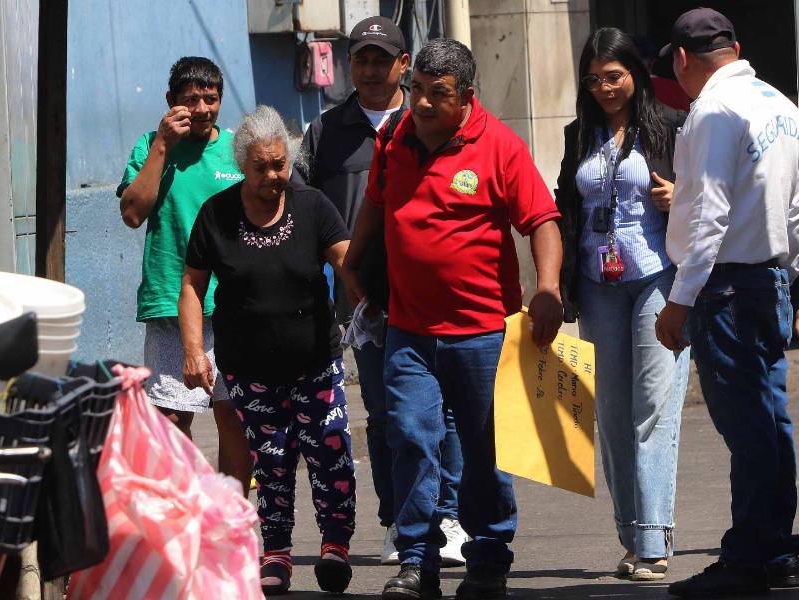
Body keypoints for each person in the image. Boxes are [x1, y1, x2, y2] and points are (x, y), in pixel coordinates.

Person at [342, 38, 563, 600]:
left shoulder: (501, 147)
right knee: (410, 438)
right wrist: (352, 265)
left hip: (484, 333)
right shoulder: (394, 139)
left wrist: (547, 288)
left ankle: (488, 559)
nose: (419, 103)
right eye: (414, 89)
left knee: (487, 450)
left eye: (435, 94)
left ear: (467, 97)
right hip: (409, 332)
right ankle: (417, 561)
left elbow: (541, 221)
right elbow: (376, 203)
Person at [292, 15, 468, 566]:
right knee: (388, 415)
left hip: (439, 296)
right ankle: (399, 521)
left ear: (403, 64)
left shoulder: (431, 120)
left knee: (449, 414)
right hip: (365, 304)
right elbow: (301, 211)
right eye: (360, 59)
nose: (368, 69)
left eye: (380, 58)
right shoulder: (324, 132)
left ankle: (448, 516)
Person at [179, 105, 356, 596]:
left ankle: (334, 547)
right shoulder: (217, 214)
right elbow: (193, 286)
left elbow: (346, 263)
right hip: (249, 369)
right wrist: (194, 350)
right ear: (242, 163)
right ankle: (275, 552)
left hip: (316, 363)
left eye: (279, 163)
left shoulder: (313, 205)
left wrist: (375, 305)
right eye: (261, 167)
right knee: (271, 461)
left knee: (330, 453)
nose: (273, 176)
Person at [654, 7, 799, 598]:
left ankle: (749, 558)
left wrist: (680, 301)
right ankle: (775, 550)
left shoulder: (714, 109)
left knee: (750, 427)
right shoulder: (780, 105)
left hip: (729, 286)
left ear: (683, 59)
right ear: (734, 47)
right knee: (769, 423)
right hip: (767, 280)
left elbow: (708, 215)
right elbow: (794, 207)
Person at [555, 28, 690, 582]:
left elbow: (709, 196)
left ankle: (655, 541)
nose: (605, 88)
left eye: (614, 76)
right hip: (597, 284)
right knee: (611, 414)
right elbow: (565, 207)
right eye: (594, 79)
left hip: (657, 278)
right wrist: (555, 286)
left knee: (654, 405)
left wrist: (680, 196)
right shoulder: (578, 134)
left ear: (635, 73)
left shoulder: (673, 129)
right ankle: (632, 533)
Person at [117, 56, 251, 493]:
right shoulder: (149, 146)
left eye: (210, 99)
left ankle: (232, 521)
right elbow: (133, 213)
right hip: (171, 302)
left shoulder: (237, 150)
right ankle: (187, 514)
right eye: (190, 99)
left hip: (234, 305)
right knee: (171, 420)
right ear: (170, 101)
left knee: (233, 415)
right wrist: (161, 146)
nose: (200, 108)